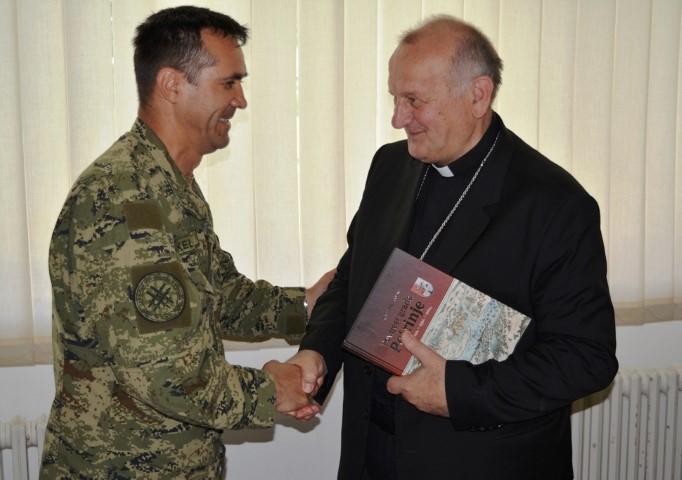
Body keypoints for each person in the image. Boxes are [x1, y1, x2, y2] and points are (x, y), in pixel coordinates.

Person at [290, 15, 618, 479]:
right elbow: (352, 280)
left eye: (414, 101)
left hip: (479, 460)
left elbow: (586, 358)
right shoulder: (390, 166)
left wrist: (460, 391)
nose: (397, 118)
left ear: (478, 95)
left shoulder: (554, 204)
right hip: (371, 452)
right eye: (394, 98)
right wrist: (316, 353)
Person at [40, 6, 332, 479]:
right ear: (172, 85)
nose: (240, 100)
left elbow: (219, 295)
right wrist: (271, 390)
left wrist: (305, 306)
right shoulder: (121, 196)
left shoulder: (169, 186)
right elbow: (168, 375)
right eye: (229, 83)